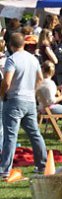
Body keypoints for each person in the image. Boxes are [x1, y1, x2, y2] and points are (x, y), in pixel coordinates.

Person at [0, 33, 48, 179]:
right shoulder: (33, 58)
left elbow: (7, 81)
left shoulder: (12, 59)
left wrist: (2, 94)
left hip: (14, 99)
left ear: (10, 45)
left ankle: (4, 169)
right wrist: (32, 90)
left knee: (10, 135)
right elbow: (40, 78)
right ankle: (42, 164)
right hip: (30, 100)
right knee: (34, 133)